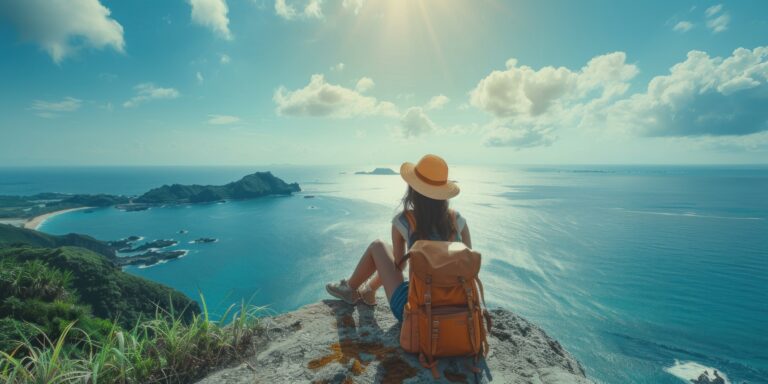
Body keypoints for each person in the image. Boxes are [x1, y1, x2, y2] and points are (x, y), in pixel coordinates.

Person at [325, 154, 471, 322]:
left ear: (413, 189)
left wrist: (373, 285)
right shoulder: (458, 221)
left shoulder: (404, 221)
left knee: (378, 246)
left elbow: (399, 266)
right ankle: (367, 291)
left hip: (414, 311)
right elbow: (469, 266)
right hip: (456, 310)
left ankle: (351, 289)